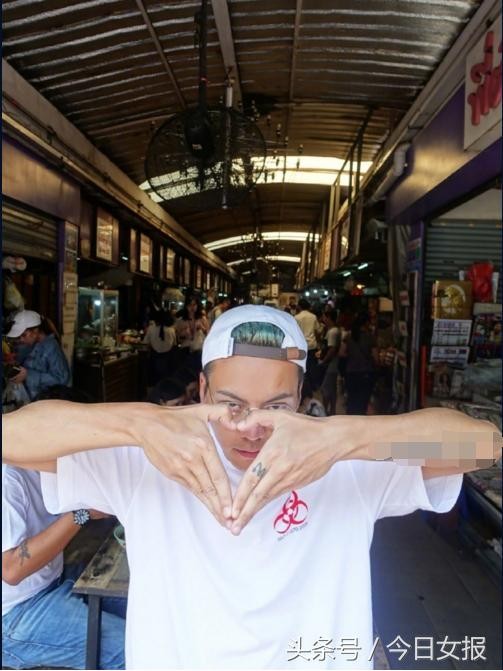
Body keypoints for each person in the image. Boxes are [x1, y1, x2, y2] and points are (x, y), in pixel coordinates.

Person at [3, 306, 501, 670]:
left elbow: (483, 445)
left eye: (277, 407)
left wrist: (345, 437)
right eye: (231, 404)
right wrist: (140, 423)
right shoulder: (149, 459)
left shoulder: (347, 462)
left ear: (302, 396)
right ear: (202, 391)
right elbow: (11, 438)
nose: (252, 428)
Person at [2, 386, 126, 670]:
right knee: (128, 650)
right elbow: (11, 569)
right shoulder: (8, 478)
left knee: (147, 606)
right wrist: (80, 514)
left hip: (54, 581)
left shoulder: (55, 462)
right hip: (16, 613)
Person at [6, 310, 71, 401]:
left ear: (35, 331)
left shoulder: (51, 347)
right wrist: (15, 361)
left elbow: (62, 380)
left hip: (47, 403)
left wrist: (28, 375)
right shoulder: (31, 344)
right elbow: (25, 361)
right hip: (32, 399)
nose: (21, 340)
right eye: (19, 336)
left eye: (24, 335)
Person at [339, 313, 378, 415]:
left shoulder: (348, 336)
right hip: (366, 372)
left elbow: (341, 353)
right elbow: (376, 357)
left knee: (352, 399)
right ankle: (360, 419)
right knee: (363, 401)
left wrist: (352, 355)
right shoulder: (370, 337)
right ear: (366, 323)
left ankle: (351, 418)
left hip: (351, 372)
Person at [142, 310, 177, 387]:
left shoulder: (151, 329)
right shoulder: (171, 330)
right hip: (168, 359)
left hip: (154, 358)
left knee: (154, 381)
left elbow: (145, 343)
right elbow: (174, 344)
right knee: (165, 381)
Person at [294, 298, 322, 389]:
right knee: (312, 367)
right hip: (312, 345)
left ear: (299, 306)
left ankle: (304, 386)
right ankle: (313, 386)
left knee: (302, 367)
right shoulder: (313, 317)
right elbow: (318, 331)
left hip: (301, 346)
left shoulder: (296, 317)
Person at [176, 295, 209, 369]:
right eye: (189, 305)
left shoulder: (202, 319)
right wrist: (184, 333)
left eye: (194, 305)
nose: (192, 307)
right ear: (186, 306)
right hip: (185, 352)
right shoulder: (181, 321)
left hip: (199, 352)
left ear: (197, 306)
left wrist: (202, 328)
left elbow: (209, 335)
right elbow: (178, 340)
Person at [319, 309, 341, 415]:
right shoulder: (334, 330)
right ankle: (332, 411)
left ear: (329, 318)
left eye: (324, 317)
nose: (323, 319)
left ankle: (324, 411)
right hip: (334, 364)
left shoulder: (332, 332)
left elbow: (332, 349)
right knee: (332, 389)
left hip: (331, 364)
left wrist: (324, 361)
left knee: (326, 388)